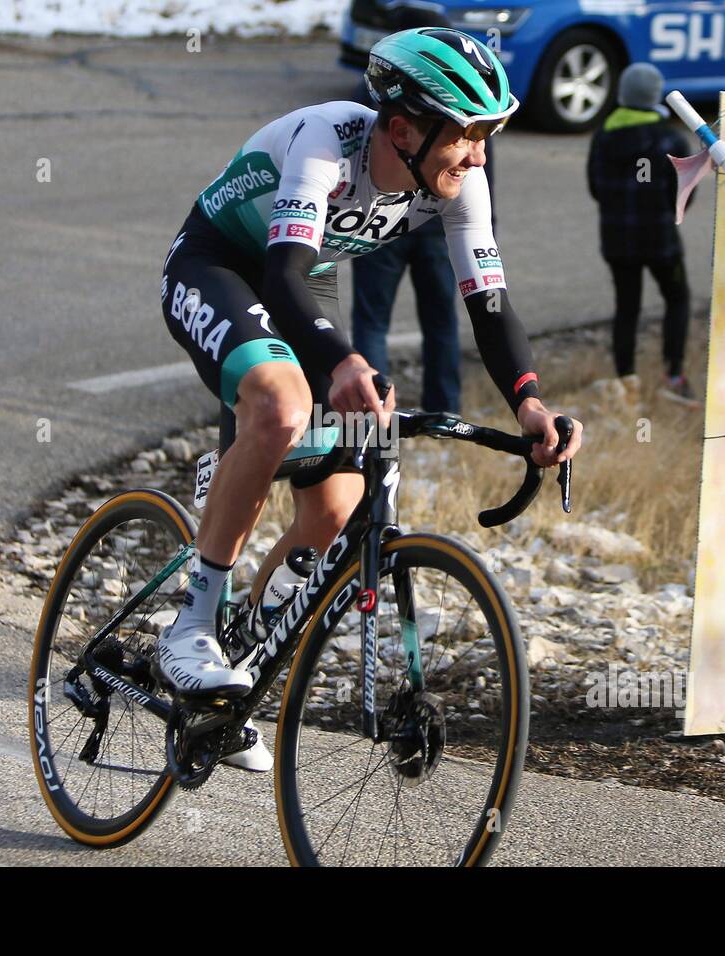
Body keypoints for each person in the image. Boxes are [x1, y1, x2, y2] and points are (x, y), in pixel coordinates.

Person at [156, 27, 583, 770]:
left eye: (487, 135)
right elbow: (282, 278)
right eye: (467, 135)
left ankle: (233, 676)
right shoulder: (327, 140)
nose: (479, 154)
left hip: (303, 275)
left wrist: (531, 406)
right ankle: (192, 622)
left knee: (335, 504)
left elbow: (487, 303)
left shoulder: (462, 181)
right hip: (224, 263)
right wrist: (344, 360)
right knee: (283, 407)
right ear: (401, 128)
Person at [348, 77, 498, 414]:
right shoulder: (467, 93)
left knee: (372, 321)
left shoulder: (377, 86)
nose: (478, 158)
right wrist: (489, 228)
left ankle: (372, 419)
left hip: (379, 226)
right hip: (435, 232)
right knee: (441, 321)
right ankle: (444, 412)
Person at [586, 62, 695, 399]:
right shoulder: (671, 138)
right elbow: (684, 195)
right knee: (677, 297)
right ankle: (674, 373)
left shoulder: (603, 136)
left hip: (618, 241)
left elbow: (596, 188)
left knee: (627, 307)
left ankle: (626, 377)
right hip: (661, 240)